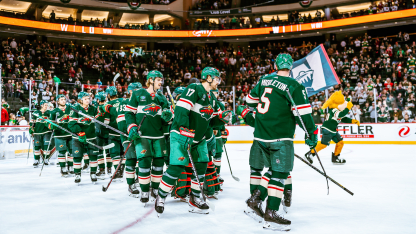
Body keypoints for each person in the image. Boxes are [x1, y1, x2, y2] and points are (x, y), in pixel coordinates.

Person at [243, 54, 318, 231]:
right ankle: (271, 213)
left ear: (275, 65)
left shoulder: (264, 80)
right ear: (290, 67)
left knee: (272, 171)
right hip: (280, 137)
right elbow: (303, 114)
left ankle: (256, 199)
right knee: (280, 174)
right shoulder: (294, 85)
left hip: (260, 136)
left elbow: (249, 102)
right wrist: (311, 134)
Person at [155, 67, 233, 216]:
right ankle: (161, 195)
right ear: (208, 78)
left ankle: (195, 198)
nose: (219, 81)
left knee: (202, 163)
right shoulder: (194, 88)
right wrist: (184, 128)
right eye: (217, 78)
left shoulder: (211, 97)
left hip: (198, 138)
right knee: (177, 167)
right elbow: (181, 109)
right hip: (180, 134)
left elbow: (211, 121)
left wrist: (222, 118)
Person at [125, 71, 172, 204]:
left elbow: (167, 117)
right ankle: (144, 190)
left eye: (161, 80)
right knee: (144, 164)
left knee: (158, 165)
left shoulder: (162, 98)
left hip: (159, 136)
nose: (160, 82)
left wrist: (168, 118)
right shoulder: (138, 93)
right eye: (158, 79)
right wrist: (132, 127)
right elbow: (128, 113)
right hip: (142, 136)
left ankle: (155, 189)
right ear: (150, 80)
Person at [305, 91, 360, 165]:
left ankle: (335, 157)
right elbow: (341, 114)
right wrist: (348, 108)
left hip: (333, 130)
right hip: (327, 130)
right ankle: (310, 153)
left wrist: (353, 121)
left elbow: (343, 118)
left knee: (340, 142)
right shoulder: (334, 110)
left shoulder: (337, 111)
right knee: (323, 144)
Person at [68, 92, 99, 184]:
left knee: (93, 155)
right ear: (80, 100)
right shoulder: (75, 109)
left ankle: (93, 173)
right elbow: (71, 124)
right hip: (78, 138)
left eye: (88, 98)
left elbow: (99, 120)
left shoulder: (93, 109)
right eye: (85, 99)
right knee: (77, 156)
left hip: (91, 136)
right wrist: (79, 132)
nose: (88, 100)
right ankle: (77, 174)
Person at [46, 94, 74, 176]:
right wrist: (53, 125)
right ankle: (63, 168)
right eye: (61, 99)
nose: (63, 101)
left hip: (70, 133)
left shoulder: (70, 108)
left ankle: (71, 166)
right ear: (58, 101)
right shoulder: (54, 111)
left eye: (64, 99)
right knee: (62, 152)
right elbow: (50, 124)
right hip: (59, 135)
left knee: (71, 152)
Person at [30, 100, 53, 167]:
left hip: (47, 132)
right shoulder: (36, 113)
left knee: (46, 145)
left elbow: (52, 121)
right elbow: (32, 122)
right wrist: (31, 128)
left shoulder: (49, 112)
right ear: (41, 105)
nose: (46, 106)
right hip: (37, 132)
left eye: (47, 105)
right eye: (45, 105)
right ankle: (36, 160)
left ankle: (46, 159)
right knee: (36, 146)